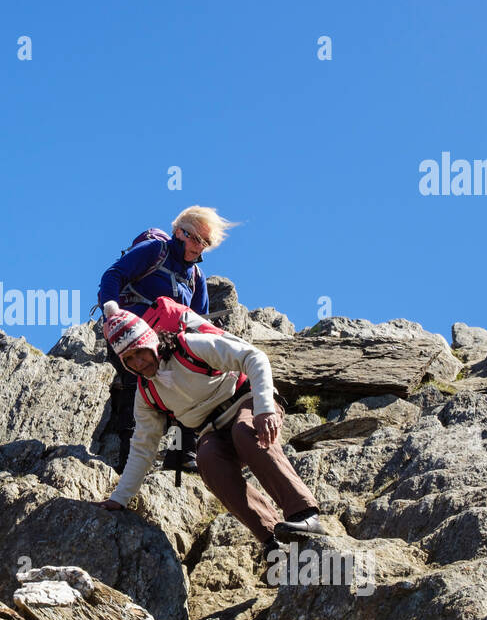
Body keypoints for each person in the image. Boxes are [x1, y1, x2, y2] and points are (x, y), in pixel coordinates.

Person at [95, 301, 324, 562]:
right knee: (208, 461)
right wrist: (119, 498)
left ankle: (304, 514)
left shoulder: (189, 347)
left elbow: (253, 357)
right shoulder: (146, 393)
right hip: (210, 429)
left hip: (247, 402)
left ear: (149, 340)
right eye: (129, 359)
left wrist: (263, 409)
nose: (138, 361)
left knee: (244, 431)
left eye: (140, 351)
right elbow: (142, 447)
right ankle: (274, 539)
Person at [97, 207, 229, 472]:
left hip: (166, 342)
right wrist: (112, 311)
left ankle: (181, 456)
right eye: (195, 239)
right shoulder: (155, 251)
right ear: (179, 232)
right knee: (135, 386)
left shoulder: (196, 277)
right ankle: (127, 464)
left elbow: (196, 319)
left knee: (190, 381)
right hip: (128, 334)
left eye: (206, 244)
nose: (199, 248)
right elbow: (113, 275)